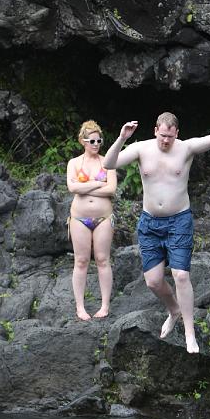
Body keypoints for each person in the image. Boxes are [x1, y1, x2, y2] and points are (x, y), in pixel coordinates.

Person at [103, 97, 210, 353]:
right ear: (155, 131)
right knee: (153, 282)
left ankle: (189, 335)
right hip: (150, 223)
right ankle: (173, 310)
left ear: (177, 134)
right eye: (162, 136)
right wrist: (122, 138)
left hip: (178, 221)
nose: (166, 141)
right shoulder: (141, 149)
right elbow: (108, 163)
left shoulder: (186, 148)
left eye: (170, 137)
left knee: (181, 275)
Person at [67, 120, 117, 320]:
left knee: (103, 259)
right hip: (79, 218)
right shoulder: (74, 163)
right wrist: (98, 183)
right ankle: (80, 307)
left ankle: (104, 305)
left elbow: (111, 189)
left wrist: (86, 185)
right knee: (81, 260)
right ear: (82, 141)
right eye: (92, 140)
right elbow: (72, 188)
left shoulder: (108, 162)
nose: (96, 144)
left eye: (99, 140)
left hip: (103, 217)